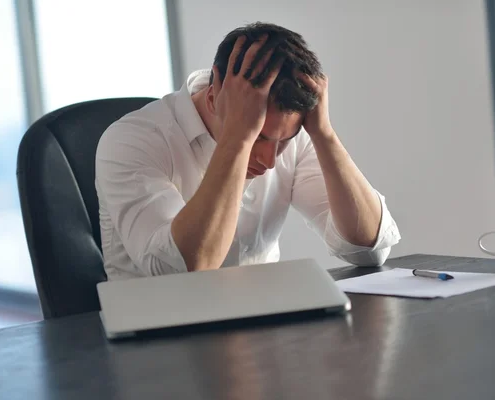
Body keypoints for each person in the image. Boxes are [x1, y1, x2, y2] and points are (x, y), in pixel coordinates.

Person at [95, 22, 401, 280]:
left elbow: (369, 249)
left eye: (283, 142)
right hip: (156, 342)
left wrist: (324, 134)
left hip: (262, 331)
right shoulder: (129, 140)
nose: (269, 161)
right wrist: (239, 138)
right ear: (214, 97)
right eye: (260, 138)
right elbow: (184, 271)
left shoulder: (290, 134)